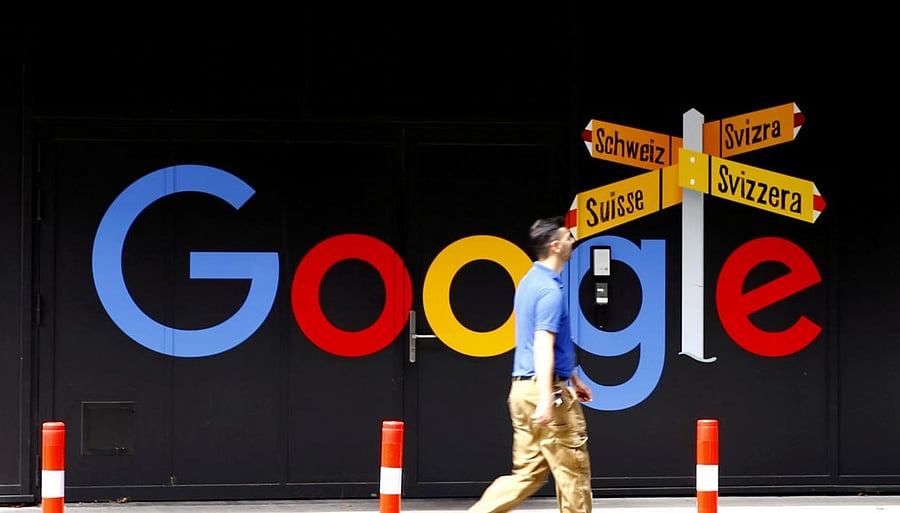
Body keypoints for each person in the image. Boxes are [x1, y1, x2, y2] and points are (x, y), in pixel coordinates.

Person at [468, 216, 593, 513]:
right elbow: (542, 344)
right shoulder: (551, 291)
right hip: (546, 391)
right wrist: (548, 398)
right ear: (555, 246)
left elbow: (548, 342)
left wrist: (573, 378)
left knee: (527, 474)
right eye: (568, 237)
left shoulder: (529, 282)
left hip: (522, 392)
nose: (572, 240)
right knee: (573, 472)